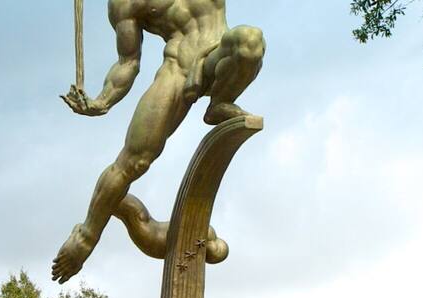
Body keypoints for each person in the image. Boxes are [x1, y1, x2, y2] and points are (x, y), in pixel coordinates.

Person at [52, 0, 264, 283]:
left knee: (249, 39)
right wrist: (101, 101)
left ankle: (220, 102)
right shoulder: (124, 3)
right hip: (178, 68)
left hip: (219, 54)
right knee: (134, 160)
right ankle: (86, 236)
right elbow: (128, 62)